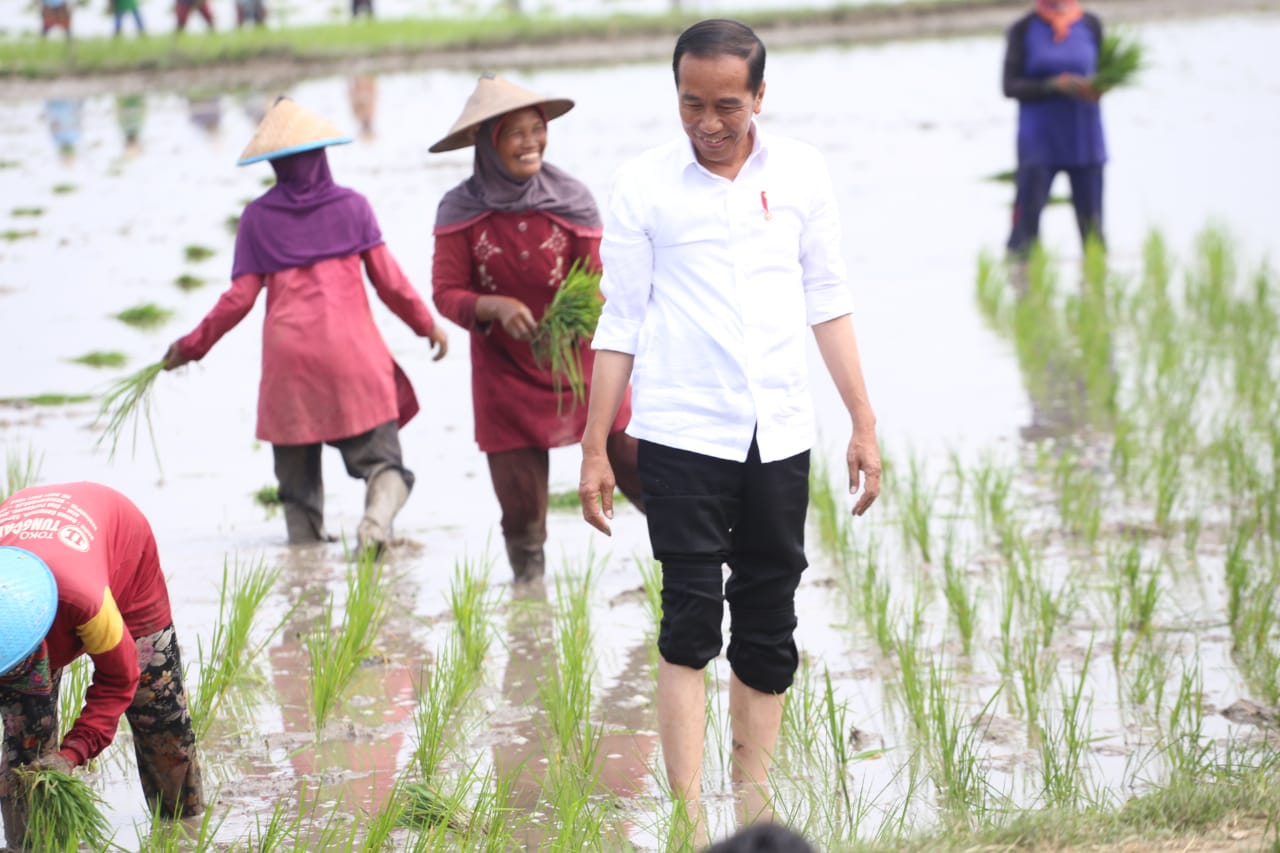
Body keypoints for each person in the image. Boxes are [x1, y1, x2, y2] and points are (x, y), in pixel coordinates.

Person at [577, 17, 880, 826]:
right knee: (687, 616)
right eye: (691, 104)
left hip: (778, 430)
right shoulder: (644, 183)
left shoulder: (803, 173)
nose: (708, 123)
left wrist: (862, 420)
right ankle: (687, 816)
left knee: (770, 614)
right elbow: (620, 321)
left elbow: (828, 299)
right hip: (682, 432)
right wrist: (595, 444)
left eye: (726, 106)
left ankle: (753, 807)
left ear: (759, 96)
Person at [164, 97, 448, 553]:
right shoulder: (353, 207)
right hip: (353, 356)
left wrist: (190, 346)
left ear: (275, 162)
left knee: (297, 493)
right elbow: (390, 282)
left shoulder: (257, 218)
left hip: (289, 364)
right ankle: (375, 523)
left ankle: (304, 569)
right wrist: (427, 325)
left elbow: (238, 299)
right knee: (384, 466)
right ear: (321, 154)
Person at [430, 73, 642, 583]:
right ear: (488, 143)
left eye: (537, 129)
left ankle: (694, 566)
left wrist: (579, 315)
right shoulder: (460, 210)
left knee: (644, 472)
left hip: (582, 367)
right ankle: (529, 597)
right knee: (522, 511)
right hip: (504, 376)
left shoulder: (571, 198)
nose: (531, 143)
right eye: (515, 133)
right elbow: (446, 292)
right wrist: (493, 307)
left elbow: (601, 281)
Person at [0, 483, 204, 850]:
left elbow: (120, 678)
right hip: (30, 551)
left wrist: (73, 752)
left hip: (121, 549)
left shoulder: (84, 600)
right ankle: (28, 845)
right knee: (25, 743)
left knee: (159, 713)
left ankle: (184, 833)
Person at [1003, 0, 1107, 257]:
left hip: (1085, 140)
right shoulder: (1023, 28)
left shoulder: (1090, 25)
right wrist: (1052, 85)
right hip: (1039, 142)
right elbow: (1009, 86)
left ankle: (1095, 277)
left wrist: (1097, 88)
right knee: (1025, 232)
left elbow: (1103, 74)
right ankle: (1023, 269)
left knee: (1093, 233)